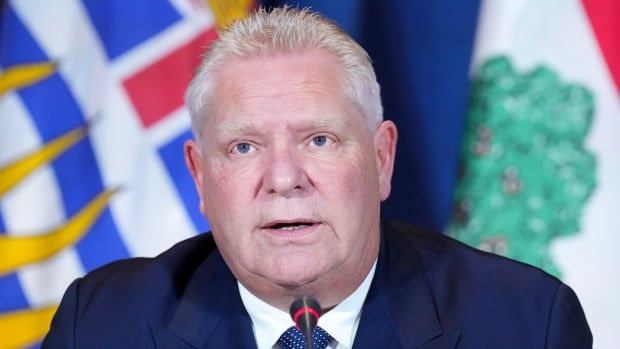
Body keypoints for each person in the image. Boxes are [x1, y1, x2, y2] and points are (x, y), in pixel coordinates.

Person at [43, 7, 592, 349]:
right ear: (200, 176)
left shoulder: (525, 324)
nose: (284, 179)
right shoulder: (100, 325)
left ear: (382, 159)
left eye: (319, 140)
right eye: (243, 146)